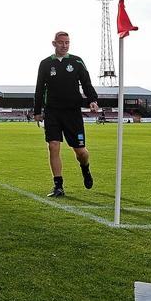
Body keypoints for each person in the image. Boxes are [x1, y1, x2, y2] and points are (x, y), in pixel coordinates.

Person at [33, 31, 99, 198]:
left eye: (67, 42)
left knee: (81, 152)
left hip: (72, 112)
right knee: (53, 146)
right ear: (54, 43)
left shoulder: (76, 62)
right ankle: (58, 186)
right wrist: (37, 111)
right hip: (52, 111)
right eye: (61, 42)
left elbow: (86, 83)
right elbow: (39, 88)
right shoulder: (46, 64)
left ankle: (85, 169)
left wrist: (93, 100)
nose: (64, 45)